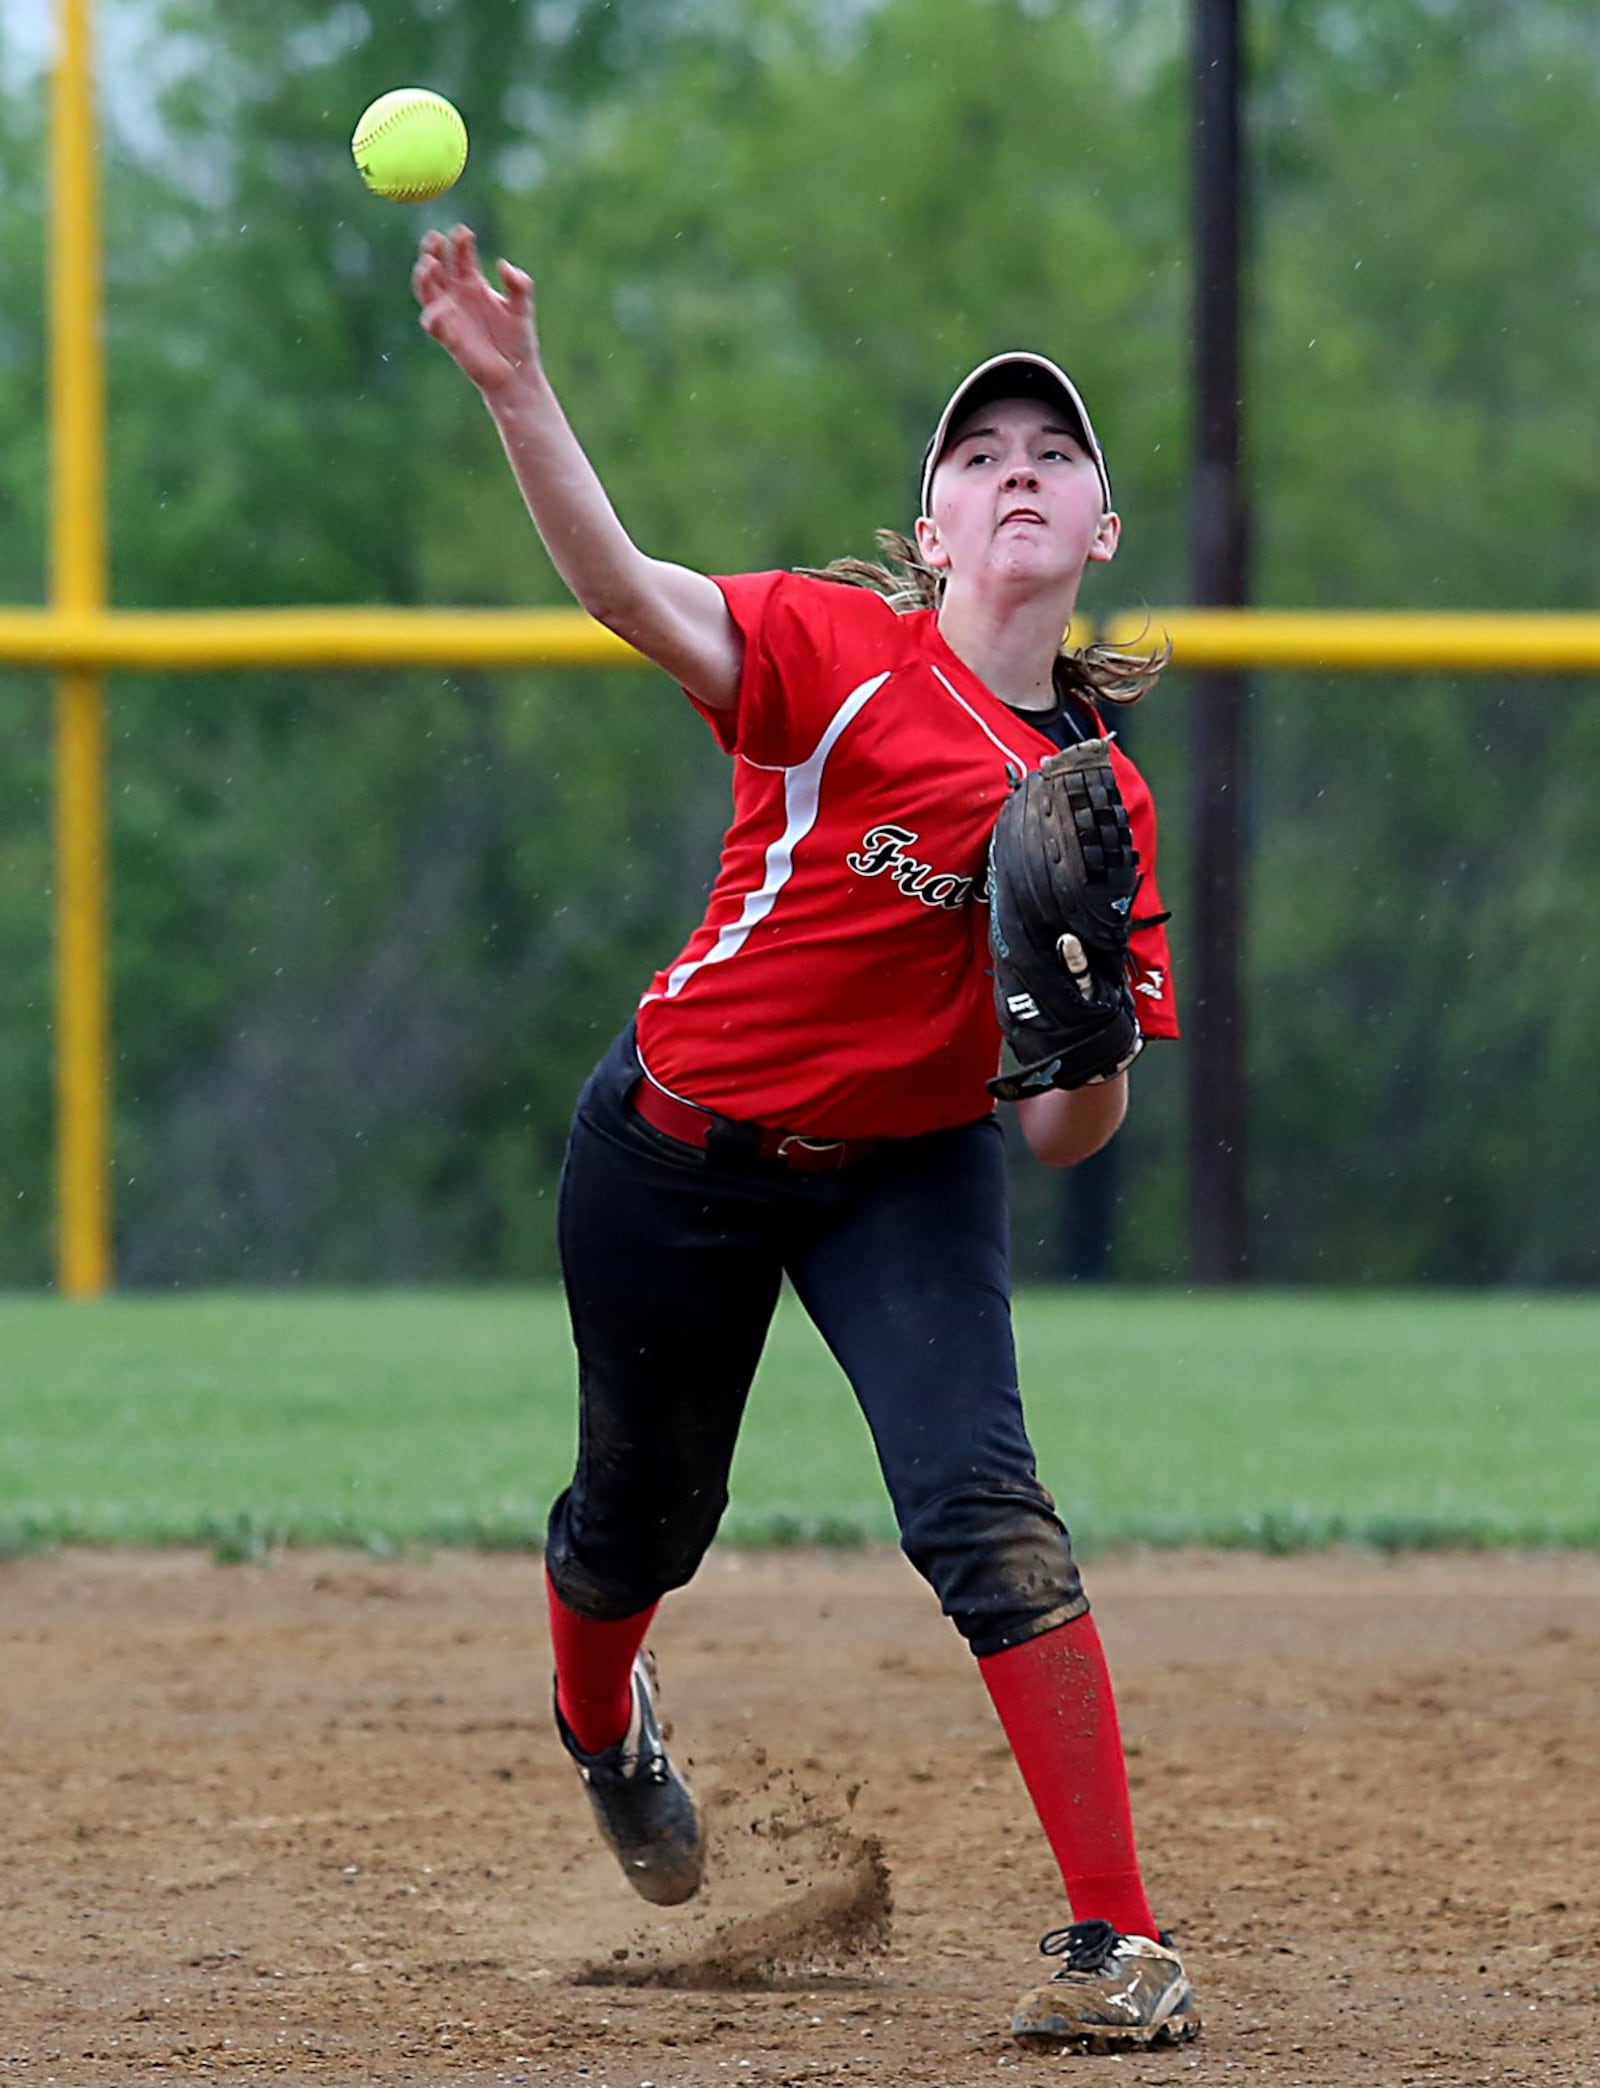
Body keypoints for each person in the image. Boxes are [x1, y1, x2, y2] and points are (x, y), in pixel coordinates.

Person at [411, 223, 1198, 2054]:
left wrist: (1068, 1031)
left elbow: (1076, 1133)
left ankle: (1121, 1943)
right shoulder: (834, 654)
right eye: (979, 457)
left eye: (1053, 457)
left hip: (910, 1172)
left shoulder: (1100, 802)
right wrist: (522, 392)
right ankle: (605, 1724)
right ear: (933, 535)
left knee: (988, 1518)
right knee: (635, 1527)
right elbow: (625, 592)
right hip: (677, 1147)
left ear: (1096, 537)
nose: (1018, 469)